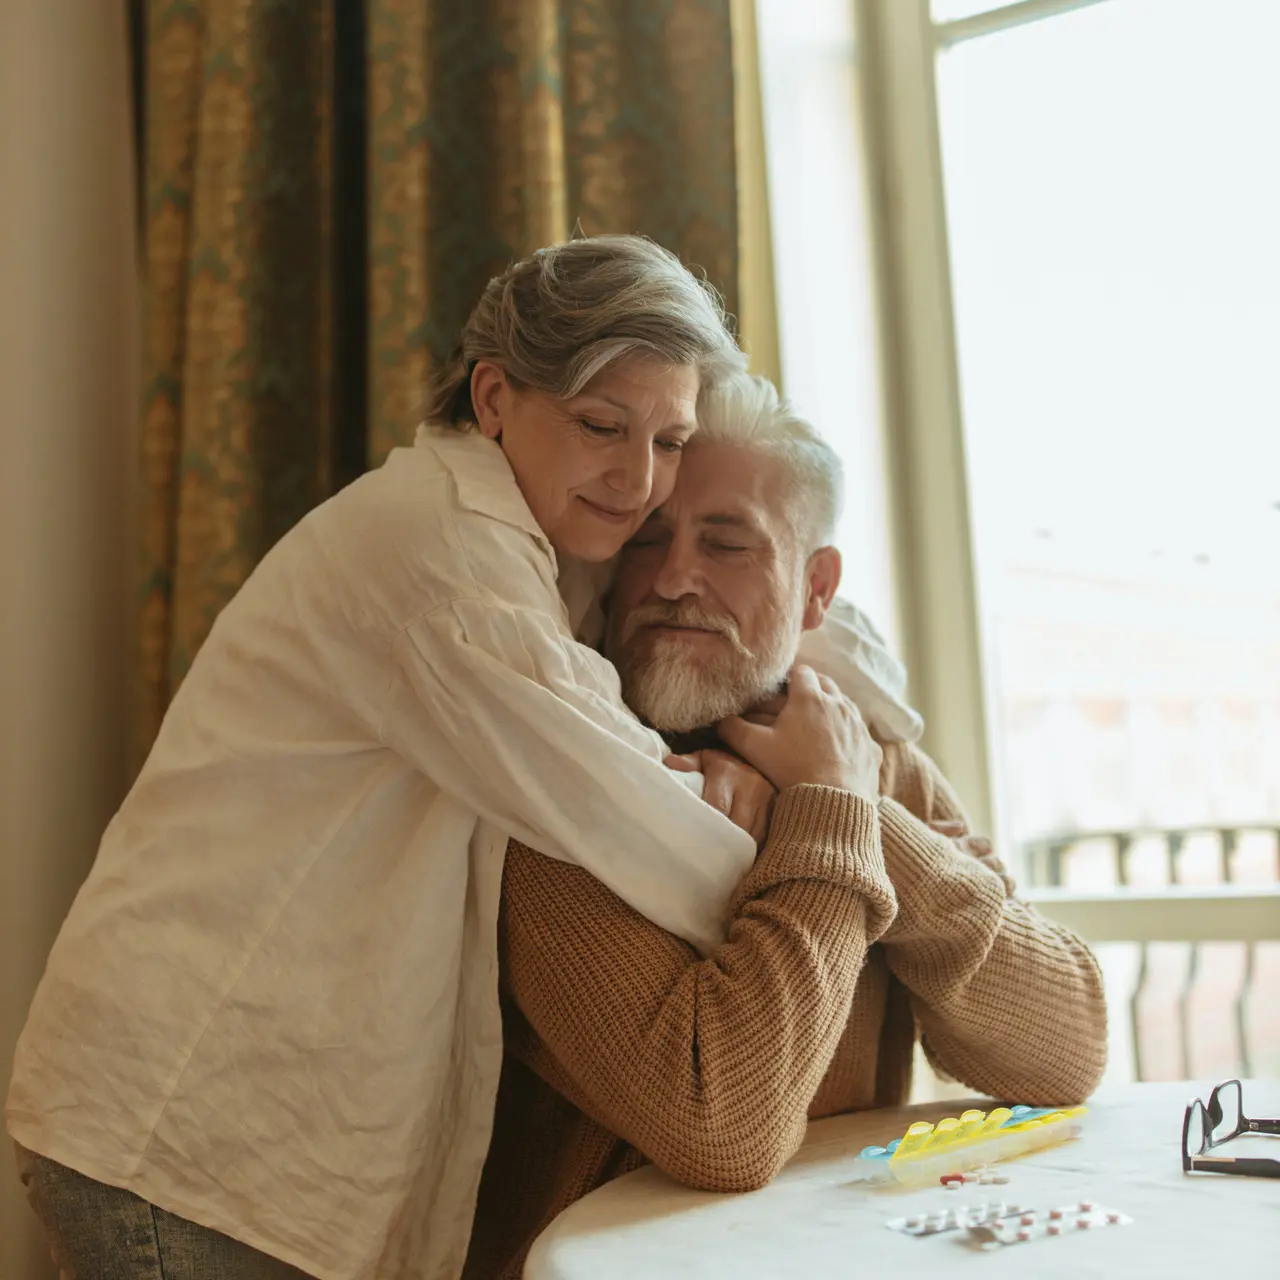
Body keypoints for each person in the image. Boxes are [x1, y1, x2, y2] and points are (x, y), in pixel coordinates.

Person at [7, 237, 915, 1280]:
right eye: (600, 426)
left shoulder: (547, 539)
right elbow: (647, 831)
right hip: (184, 1118)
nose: (635, 480)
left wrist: (838, 732)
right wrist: (831, 806)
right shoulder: (444, 557)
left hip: (238, 1127)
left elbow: (834, 637)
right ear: (493, 397)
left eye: (667, 439)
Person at [462, 375, 1110, 1280]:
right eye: (646, 539)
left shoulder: (862, 752)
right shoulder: (554, 774)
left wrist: (845, 809)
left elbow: (1066, 1049)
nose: (674, 578)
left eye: (726, 544)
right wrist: (826, 818)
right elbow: (722, 1125)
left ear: (816, 588)